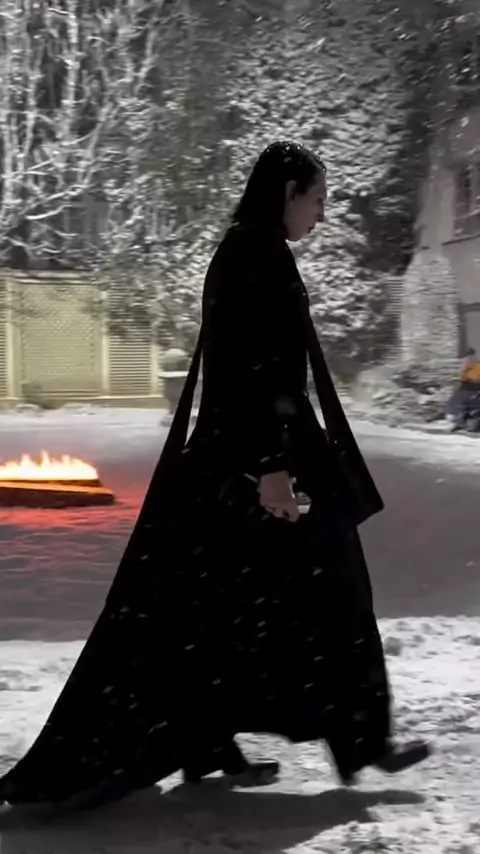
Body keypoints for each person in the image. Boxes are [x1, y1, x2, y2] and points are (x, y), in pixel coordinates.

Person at [0, 141, 430, 811]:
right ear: (287, 192)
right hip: (254, 456)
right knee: (312, 591)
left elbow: (259, 368)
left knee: (222, 603)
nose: (321, 214)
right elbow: (245, 367)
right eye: (317, 199)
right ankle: (347, 736)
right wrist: (270, 468)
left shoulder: (254, 250)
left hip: (248, 453)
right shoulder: (251, 255)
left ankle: (253, 741)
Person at [446, 347, 480, 432]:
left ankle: (460, 423)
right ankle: (462, 423)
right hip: (473, 387)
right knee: (467, 406)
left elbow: (463, 371)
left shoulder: (467, 360)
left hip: (467, 386)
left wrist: (460, 380)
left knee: (461, 405)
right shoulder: (476, 363)